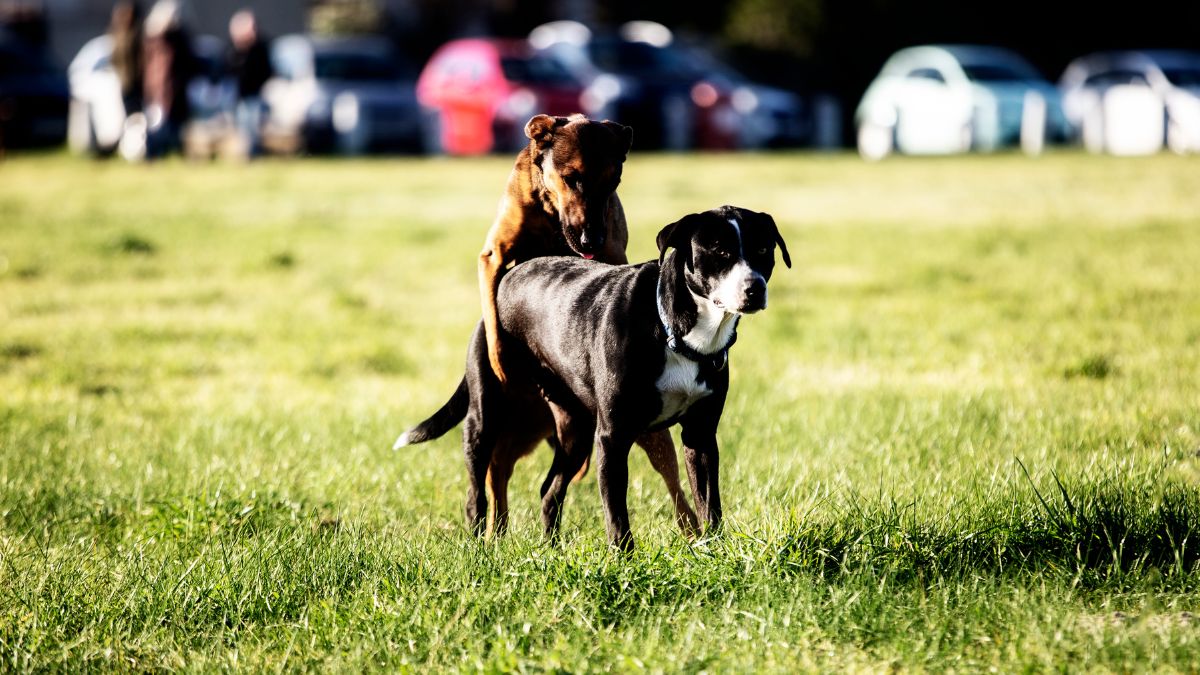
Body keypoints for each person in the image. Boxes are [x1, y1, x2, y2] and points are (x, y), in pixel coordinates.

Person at [141, 0, 195, 157]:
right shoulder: (161, 39)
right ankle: (157, 152)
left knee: (170, 125)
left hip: (171, 89)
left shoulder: (173, 39)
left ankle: (168, 152)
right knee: (158, 125)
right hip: (161, 89)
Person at [226, 9, 272, 155]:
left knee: (252, 126)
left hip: (254, 94)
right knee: (240, 126)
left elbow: (266, 71)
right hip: (237, 95)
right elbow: (229, 69)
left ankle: (253, 153)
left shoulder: (260, 48)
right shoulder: (234, 49)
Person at [109, 1, 143, 115]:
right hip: (125, 81)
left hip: (135, 81)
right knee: (129, 112)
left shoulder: (136, 35)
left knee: (136, 113)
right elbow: (114, 58)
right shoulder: (119, 36)